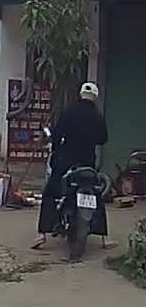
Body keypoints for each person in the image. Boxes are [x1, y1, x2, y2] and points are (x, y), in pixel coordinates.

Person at [33, 81, 109, 249]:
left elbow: (56, 134)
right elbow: (103, 139)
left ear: (81, 94)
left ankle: (42, 234)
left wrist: (58, 145)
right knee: (96, 194)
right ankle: (104, 237)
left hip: (66, 162)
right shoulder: (98, 117)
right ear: (95, 97)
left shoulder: (69, 112)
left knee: (51, 192)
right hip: (87, 162)